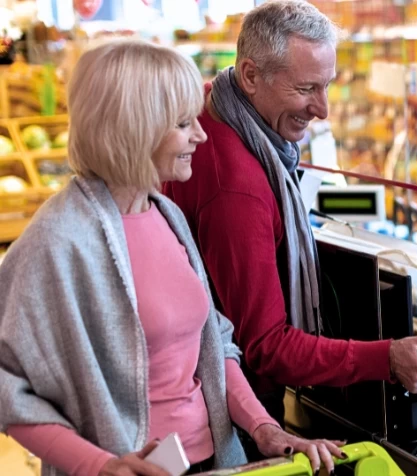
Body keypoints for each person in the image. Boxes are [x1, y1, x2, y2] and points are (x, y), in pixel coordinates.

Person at [0, 41, 344, 476]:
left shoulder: (165, 214)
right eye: (183, 123)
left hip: (213, 462)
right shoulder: (58, 238)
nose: (201, 135)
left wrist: (264, 428)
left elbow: (211, 345)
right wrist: (101, 466)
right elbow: (9, 386)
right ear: (134, 129)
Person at [162, 0, 417, 422]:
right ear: (250, 75)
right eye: (305, 89)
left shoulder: (216, 103)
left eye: (326, 86)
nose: (323, 109)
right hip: (234, 411)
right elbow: (266, 348)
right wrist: (388, 358)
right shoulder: (237, 187)